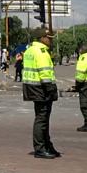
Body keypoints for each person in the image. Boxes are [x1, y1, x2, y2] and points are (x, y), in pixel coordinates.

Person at [22, 29, 59, 159]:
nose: (51, 40)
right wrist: (51, 89)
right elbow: (45, 73)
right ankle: (40, 148)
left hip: (31, 87)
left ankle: (47, 145)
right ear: (42, 38)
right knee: (42, 119)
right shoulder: (42, 51)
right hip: (41, 88)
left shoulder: (30, 50)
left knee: (42, 118)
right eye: (49, 38)